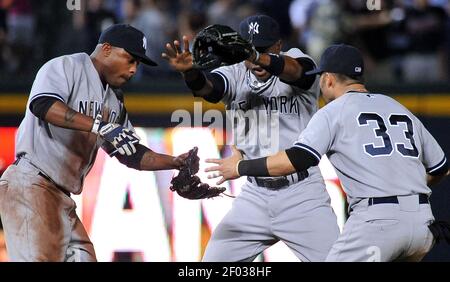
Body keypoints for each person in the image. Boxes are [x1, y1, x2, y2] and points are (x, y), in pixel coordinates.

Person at [205, 44, 450, 262]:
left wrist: (240, 167)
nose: (319, 83)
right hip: (422, 225)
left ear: (329, 79)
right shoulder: (397, 106)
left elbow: (298, 159)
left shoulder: (333, 112)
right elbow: (440, 168)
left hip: (377, 224)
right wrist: (410, 195)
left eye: (320, 78)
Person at [0, 24, 198, 262]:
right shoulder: (67, 66)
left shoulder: (114, 100)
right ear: (106, 49)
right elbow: (42, 105)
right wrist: (99, 125)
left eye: (137, 63)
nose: (134, 69)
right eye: (130, 59)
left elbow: (131, 153)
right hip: (31, 184)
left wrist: (175, 162)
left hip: (62, 198)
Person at [163, 15, 339, 262]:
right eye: (249, 49)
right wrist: (190, 72)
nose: (255, 56)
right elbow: (210, 89)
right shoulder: (234, 72)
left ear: (278, 46)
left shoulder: (298, 58)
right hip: (254, 196)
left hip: (302, 194)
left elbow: (299, 72)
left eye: (264, 48)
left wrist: (254, 56)